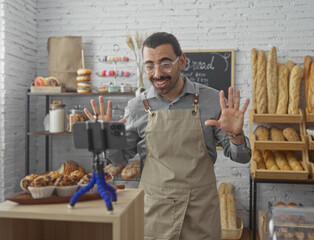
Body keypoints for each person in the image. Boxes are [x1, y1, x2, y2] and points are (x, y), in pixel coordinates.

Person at [84, 32, 251, 240]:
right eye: (149, 65)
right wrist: (107, 139)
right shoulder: (136, 107)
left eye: (165, 64)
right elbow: (118, 159)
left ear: (181, 61)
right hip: (155, 214)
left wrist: (237, 135)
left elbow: (242, 157)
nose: (157, 73)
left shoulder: (212, 100)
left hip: (200, 215)